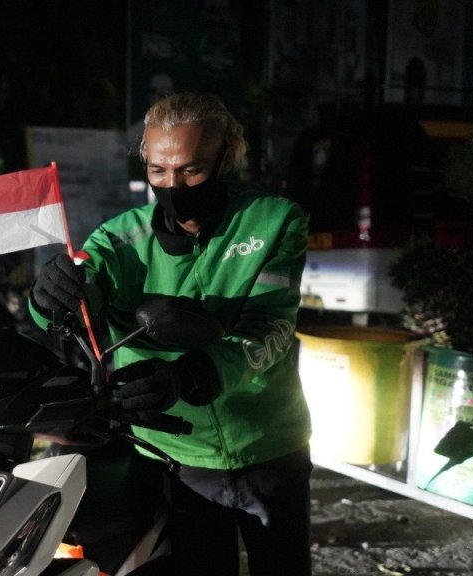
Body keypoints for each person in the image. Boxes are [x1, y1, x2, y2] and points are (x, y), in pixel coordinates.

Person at [29, 93, 313, 575]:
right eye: (158, 171)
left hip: (268, 447)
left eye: (192, 170)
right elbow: (83, 292)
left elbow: (270, 326)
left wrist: (188, 376)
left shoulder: (274, 221)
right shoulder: (118, 238)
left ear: (225, 159)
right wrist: (49, 296)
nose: (173, 185)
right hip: (173, 458)